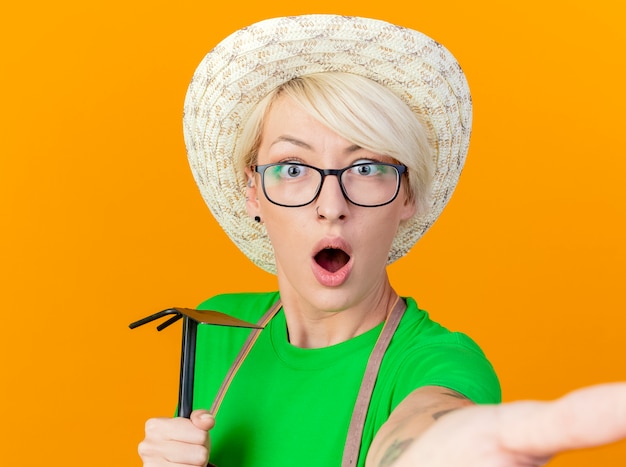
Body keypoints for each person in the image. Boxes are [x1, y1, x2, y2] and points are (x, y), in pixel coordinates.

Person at [138, 15, 626, 467]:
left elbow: (428, 420)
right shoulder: (215, 329)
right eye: (292, 168)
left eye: (366, 168)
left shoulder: (437, 362)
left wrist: (435, 448)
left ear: (407, 195)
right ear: (253, 192)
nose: (331, 204)